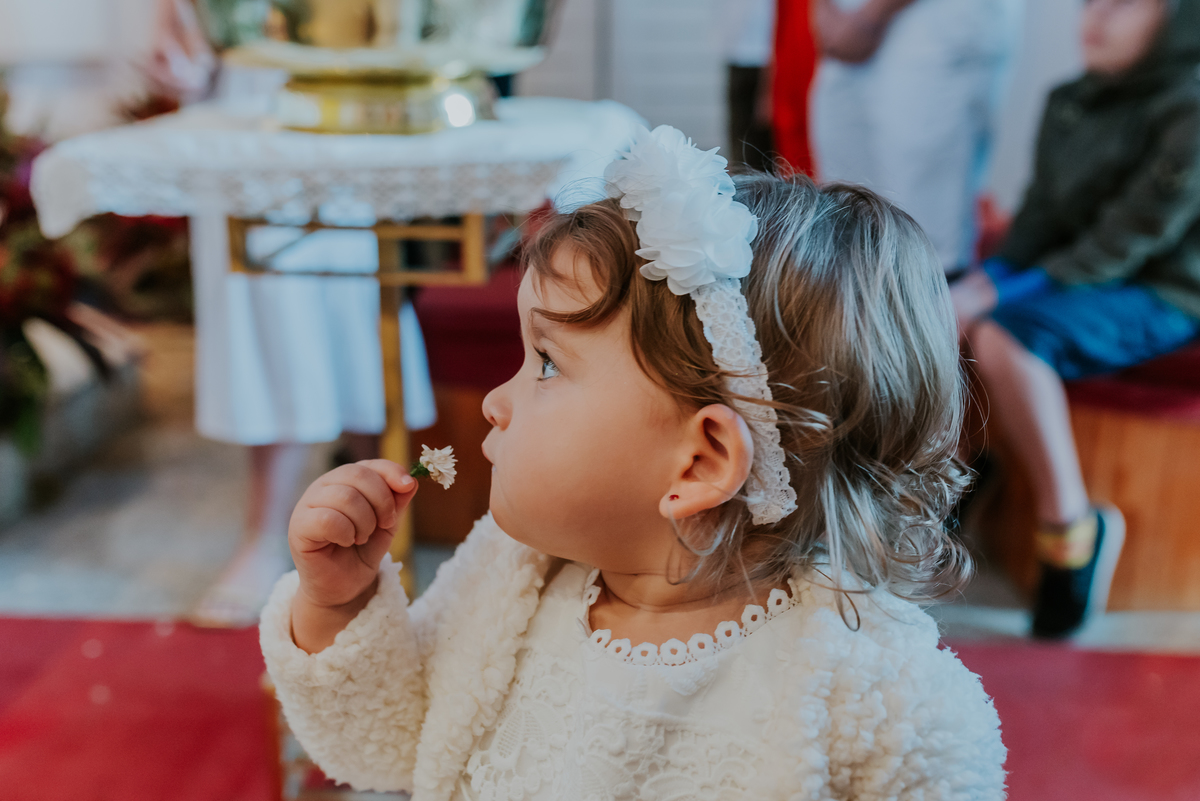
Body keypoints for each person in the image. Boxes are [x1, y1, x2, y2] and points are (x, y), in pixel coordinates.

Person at [258, 127, 1005, 799]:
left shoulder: (884, 708)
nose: (494, 401)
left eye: (546, 364)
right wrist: (339, 604)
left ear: (701, 462)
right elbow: (389, 743)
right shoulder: (511, 575)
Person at [953, 0, 1200, 638]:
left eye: (1123, 4)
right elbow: (1037, 220)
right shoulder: (1070, 99)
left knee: (1004, 336)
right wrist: (980, 283)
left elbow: (1130, 238)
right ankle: (954, 480)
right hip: (1084, 277)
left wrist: (996, 295)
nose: (1096, 17)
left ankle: (1070, 528)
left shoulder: (1191, 103)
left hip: (1167, 290)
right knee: (946, 310)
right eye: (1091, 1)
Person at [810, 0, 1022, 274]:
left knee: (924, 237)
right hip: (848, 24)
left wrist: (872, 16)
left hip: (933, 21)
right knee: (845, 221)